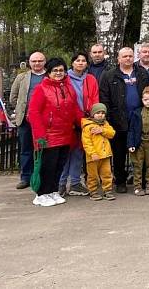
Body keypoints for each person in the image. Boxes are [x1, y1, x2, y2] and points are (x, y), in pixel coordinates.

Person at [28, 57, 83, 207]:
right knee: (47, 166)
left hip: (65, 133)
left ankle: (53, 191)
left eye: (61, 70)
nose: (59, 73)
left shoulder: (68, 88)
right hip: (48, 135)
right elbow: (33, 112)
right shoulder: (41, 89)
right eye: (55, 70)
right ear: (48, 72)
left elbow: (74, 109)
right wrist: (39, 134)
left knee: (59, 165)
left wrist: (84, 123)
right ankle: (41, 193)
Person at [99, 47, 149, 193]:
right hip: (118, 120)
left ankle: (141, 181)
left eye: (130, 56)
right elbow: (104, 98)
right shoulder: (109, 75)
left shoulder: (142, 73)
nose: (128, 58)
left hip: (139, 119)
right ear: (118, 59)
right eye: (124, 56)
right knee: (119, 153)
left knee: (140, 152)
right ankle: (120, 181)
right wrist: (108, 118)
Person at [60, 52, 100, 197]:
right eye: (77, 60)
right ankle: (61, 183)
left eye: (83, 60)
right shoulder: (64, 78)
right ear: (72, 63)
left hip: (85, 119)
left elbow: (95, 98)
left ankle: (75, 183)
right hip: (68, 120)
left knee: (78, 152)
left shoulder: (90, 79)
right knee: (65, 153)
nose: (81, 63)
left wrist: (94, 116)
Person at [10, 52, 48, 190]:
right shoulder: (22, 77)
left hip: (44, 121)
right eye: (34, 61)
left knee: (44, 149)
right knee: (26, 149)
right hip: (25, 120)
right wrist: (21, 109)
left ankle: (42, 176)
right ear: (29, 62)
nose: (37, 63)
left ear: (45, 62)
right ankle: (25, 177)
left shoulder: (49, 76)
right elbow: (13, 97)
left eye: (40, 61)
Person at [81, 103, 116, 201]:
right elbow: (86, 143)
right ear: (93, 114)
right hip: (93, 157)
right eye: (98, 113)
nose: (100, 115)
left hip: (105, 155)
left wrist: (102, 130)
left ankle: (107, 191)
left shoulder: (105, 124)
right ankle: (93, 191)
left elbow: (112, 133)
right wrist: (92, 153)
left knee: (107, 174)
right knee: (93, 175)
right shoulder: (87, 126)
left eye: (102, 113)